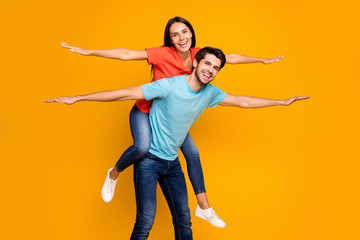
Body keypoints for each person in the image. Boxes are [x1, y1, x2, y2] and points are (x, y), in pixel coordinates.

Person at [46, 47, 309, 238]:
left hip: (173, 164)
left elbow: (242, 101)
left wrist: (281, 102)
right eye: (207, 64)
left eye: (216, 68)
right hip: (148, 163)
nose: (210, 70)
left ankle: (203, 207)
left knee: (184, 221)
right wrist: (78, 97)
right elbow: (125, 93)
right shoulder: (169, 85)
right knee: (145, 222)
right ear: (195, 63)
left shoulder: (211, 93)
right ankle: (114, 173)